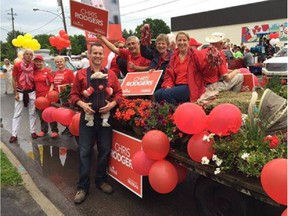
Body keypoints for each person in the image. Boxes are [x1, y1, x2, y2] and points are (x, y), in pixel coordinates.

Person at [69, 42, 123, 204]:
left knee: (104, 150)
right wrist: (83, 105)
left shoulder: (111, 75)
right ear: (90, 55)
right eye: (95, 53)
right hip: (87, 119)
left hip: (106, 119)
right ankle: (82, 187)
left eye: (101, 53)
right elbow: (73, 96)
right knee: (85, 152)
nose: (98, 56)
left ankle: (101, 181)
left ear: (103, 56)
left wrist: (112, 104)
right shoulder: (80, 74)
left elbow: (119, 94)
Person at [154, 32, 204, 104]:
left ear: (188, 41)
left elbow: (203, 66)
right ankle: (165, 112)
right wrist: (168, 84)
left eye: (184, 40)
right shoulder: (174, 56)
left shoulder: (194, 54)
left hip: (189, 86)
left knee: (167, 94)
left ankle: (177, 111)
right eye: (179, 40)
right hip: (176, 85)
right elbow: (169, 74)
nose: (182, 42)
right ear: (176, 42)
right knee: (157, 94)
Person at [9, 49, 38, 143]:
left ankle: (33, 131)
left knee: (32, 112)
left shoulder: (34, 65)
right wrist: (16, 93)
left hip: (31, 92)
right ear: (23, 55)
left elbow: (40, 72)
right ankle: (14, 134)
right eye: (27, 54)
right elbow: (14, 79)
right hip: (20, 92)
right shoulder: (17, 65)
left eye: (31, 54)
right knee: (17, 114)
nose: (29, 56)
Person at [33, 55, 59, 138]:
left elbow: (52, 83)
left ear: (42, 62)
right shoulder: (34, 72)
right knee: (41, 114)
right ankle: (44, 130)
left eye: (39, 61)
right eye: (36, 61)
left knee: (50, 113)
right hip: (38, 97)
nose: (38, 63)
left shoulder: (48, 71)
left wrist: (49, 93)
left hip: (48, 96)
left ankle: (54, 130)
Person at [53, 55, 75, 135]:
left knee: (69, 112)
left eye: (61, 61)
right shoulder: (55, 73)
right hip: (59, 96)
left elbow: (73, 84)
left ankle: (71, 129)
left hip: (67, 96)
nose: (59, 63)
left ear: (64, 62)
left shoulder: (69, 72)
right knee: (63, 113)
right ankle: (67, 127)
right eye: (57, 62)